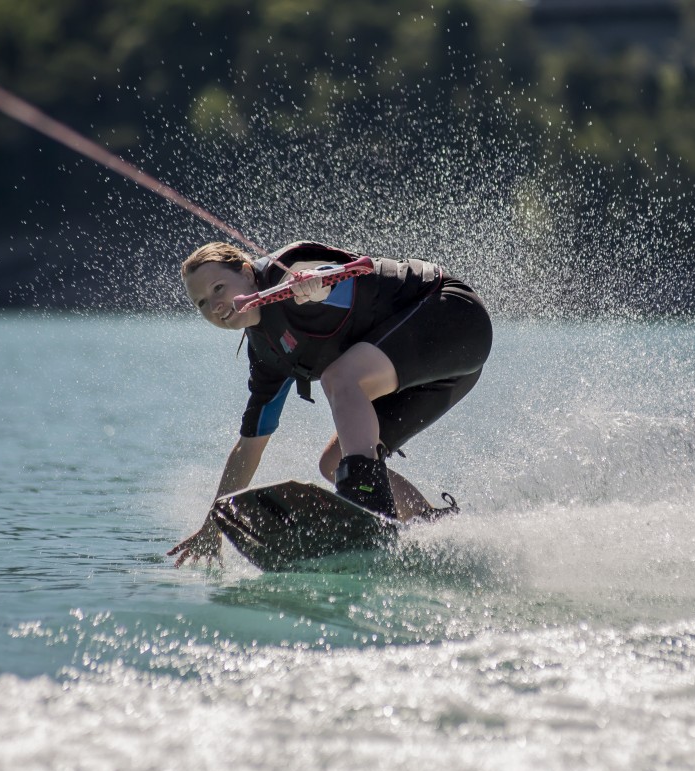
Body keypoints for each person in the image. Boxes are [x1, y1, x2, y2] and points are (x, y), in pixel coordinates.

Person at [168, 240, 492, 566]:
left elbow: (329, 279)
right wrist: (213, 526)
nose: (215, 305)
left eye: (219, 287)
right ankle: (430, 531)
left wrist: (313, 285)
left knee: (339, 378)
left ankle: (369, 505)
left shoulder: (289, 271)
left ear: (248, 274)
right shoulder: (267, 356)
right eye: (202, 303)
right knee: (335, 463)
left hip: (454, 319)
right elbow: (248, 446)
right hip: (436, 377)